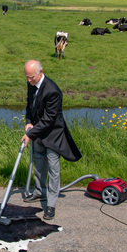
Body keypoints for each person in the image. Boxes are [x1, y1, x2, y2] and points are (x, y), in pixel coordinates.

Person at [21, 60, 82, 220]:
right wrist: (28, 122)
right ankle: (39, 191)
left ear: (40, 72)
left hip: (53, 135)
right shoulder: (31, 83)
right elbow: (30, 105)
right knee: (39, 162)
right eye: (27, 77)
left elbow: (49, 120)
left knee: (53, 169)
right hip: (38, 133)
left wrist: (30, 134)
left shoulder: (53, 91)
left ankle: (51, 205)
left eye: (31, 77)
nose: (29, 81)